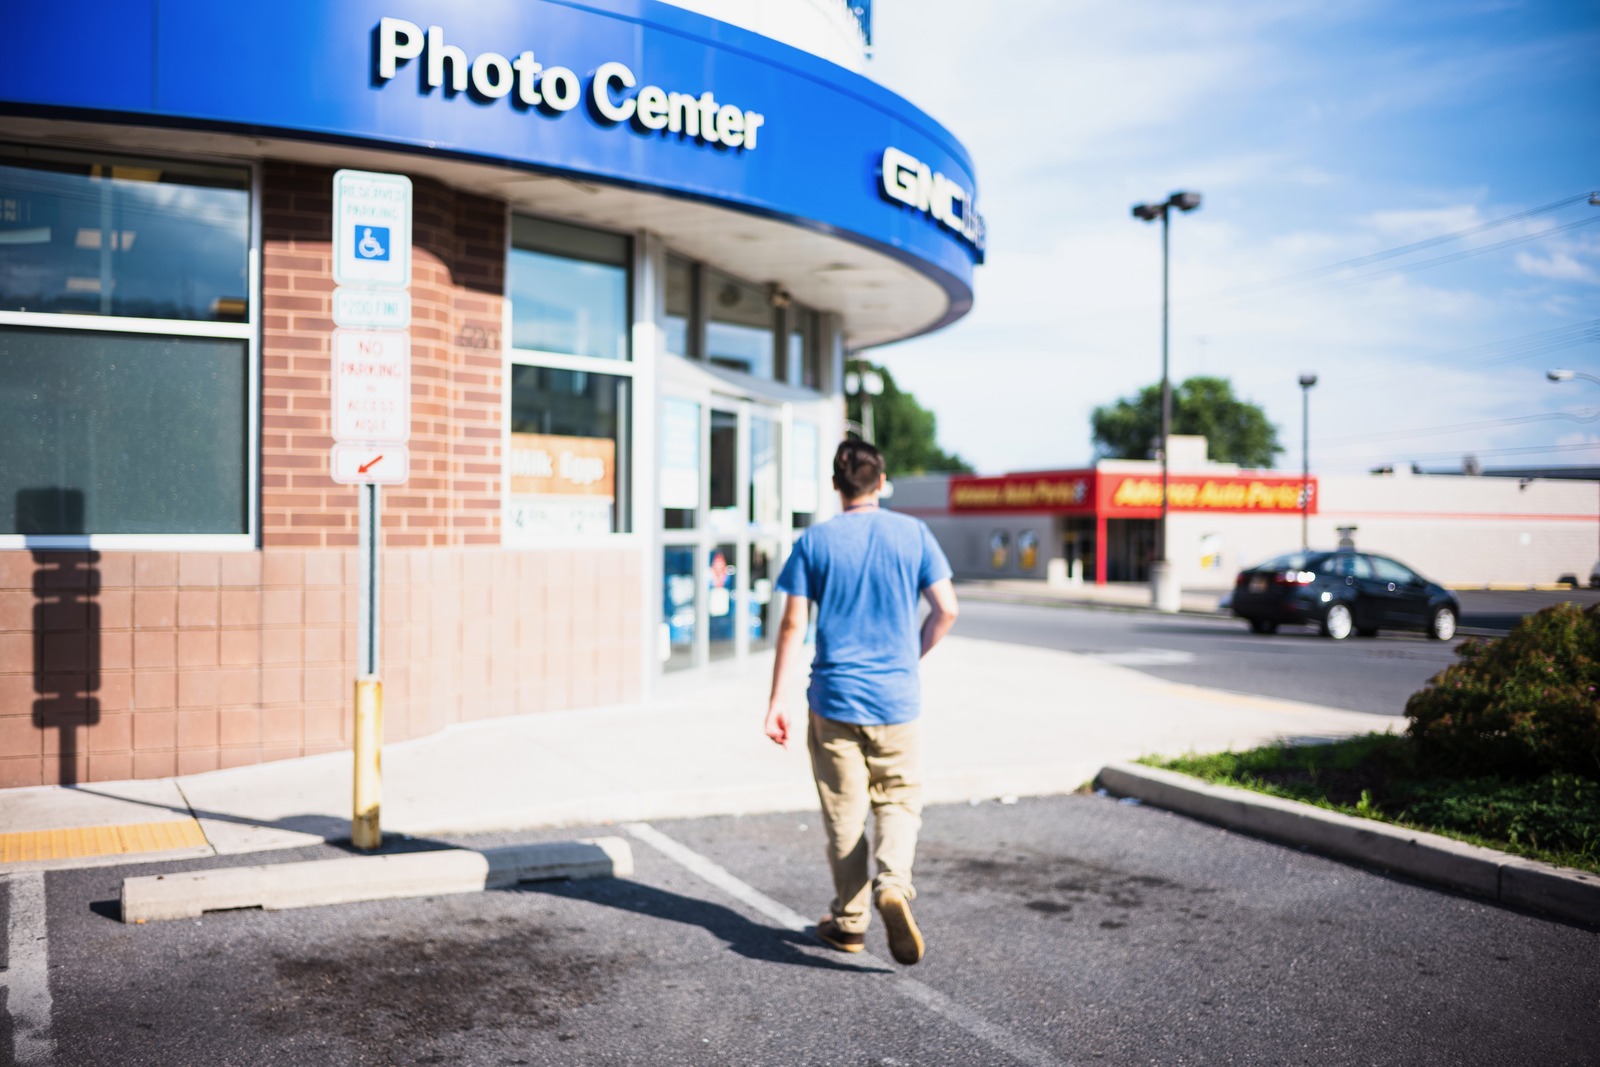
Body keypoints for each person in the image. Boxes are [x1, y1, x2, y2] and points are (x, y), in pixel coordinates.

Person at [763, 440, 958, 965]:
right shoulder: (913, 533)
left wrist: (777, 698)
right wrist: (910, 655)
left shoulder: (815, 541)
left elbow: (793, 624)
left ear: (836, 485)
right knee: (898, 799)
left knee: (844, 815)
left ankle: (849, 923)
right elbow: (946, 609)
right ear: (882, 481)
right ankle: (892, 884)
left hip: (834, 699)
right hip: (897, 698)